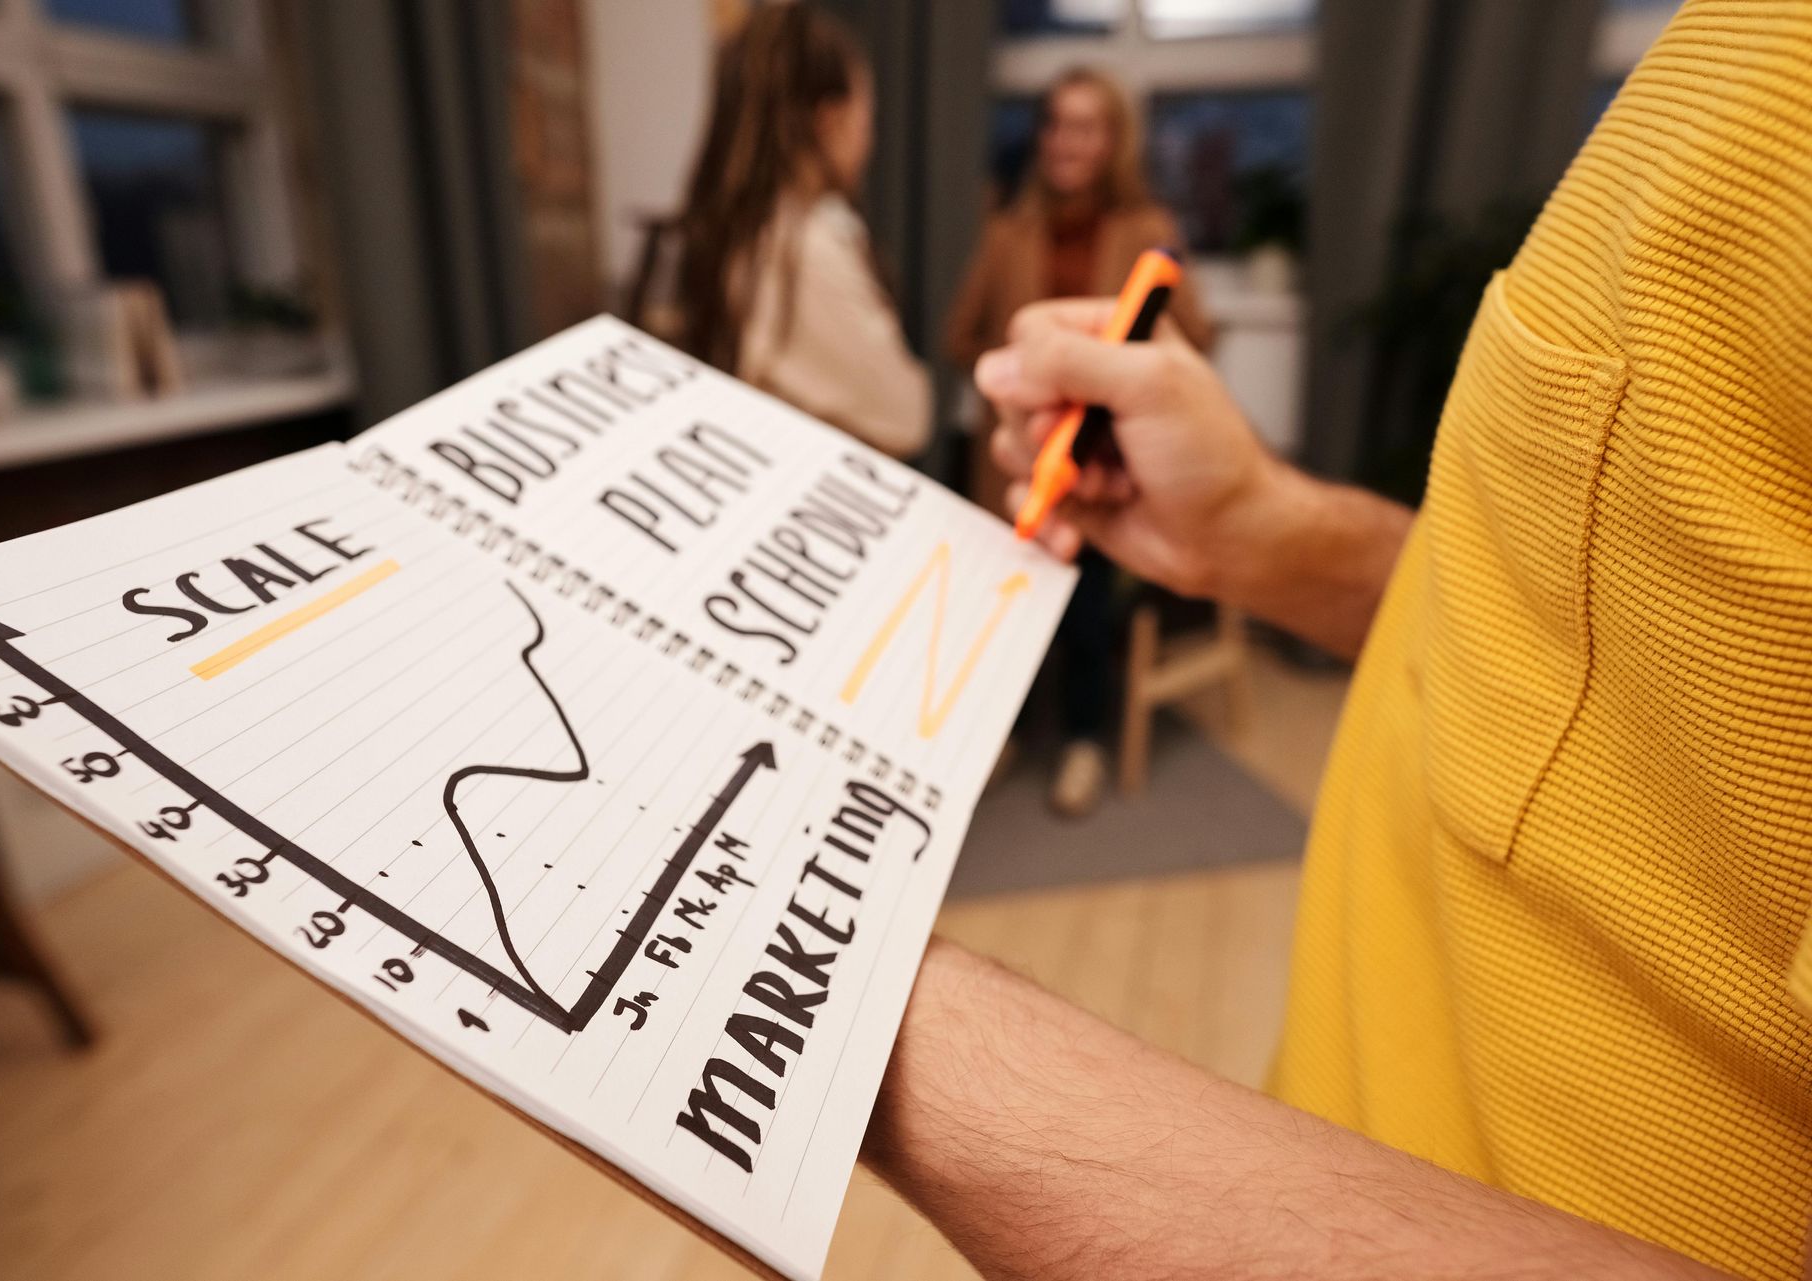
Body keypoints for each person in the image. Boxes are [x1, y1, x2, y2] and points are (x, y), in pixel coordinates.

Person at [866, 3, 1811, 1278]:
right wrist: (1265, 527)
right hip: (1315, 1125)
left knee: (1082, 613)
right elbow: (1576, 608)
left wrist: (851, 1002)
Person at [945, 68, 1213, 818]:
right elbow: (958, 335)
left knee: (1089, 606)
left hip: (1103, 463)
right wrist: (1019, 373)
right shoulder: (1006, 231)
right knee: (1007, 605)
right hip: (1020, 455)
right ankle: (1008, 732)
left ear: (1113, 139)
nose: (1066, 141)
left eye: (1085, 125)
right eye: (1057, 124)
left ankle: (1083, 741)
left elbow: (1198, 338)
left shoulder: (1148, 230)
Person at [654, 3, 929, 460]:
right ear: (830, 120)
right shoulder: (804, 245)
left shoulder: (739, 229)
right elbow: (905, 416)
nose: (870, 141)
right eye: (868, 118)